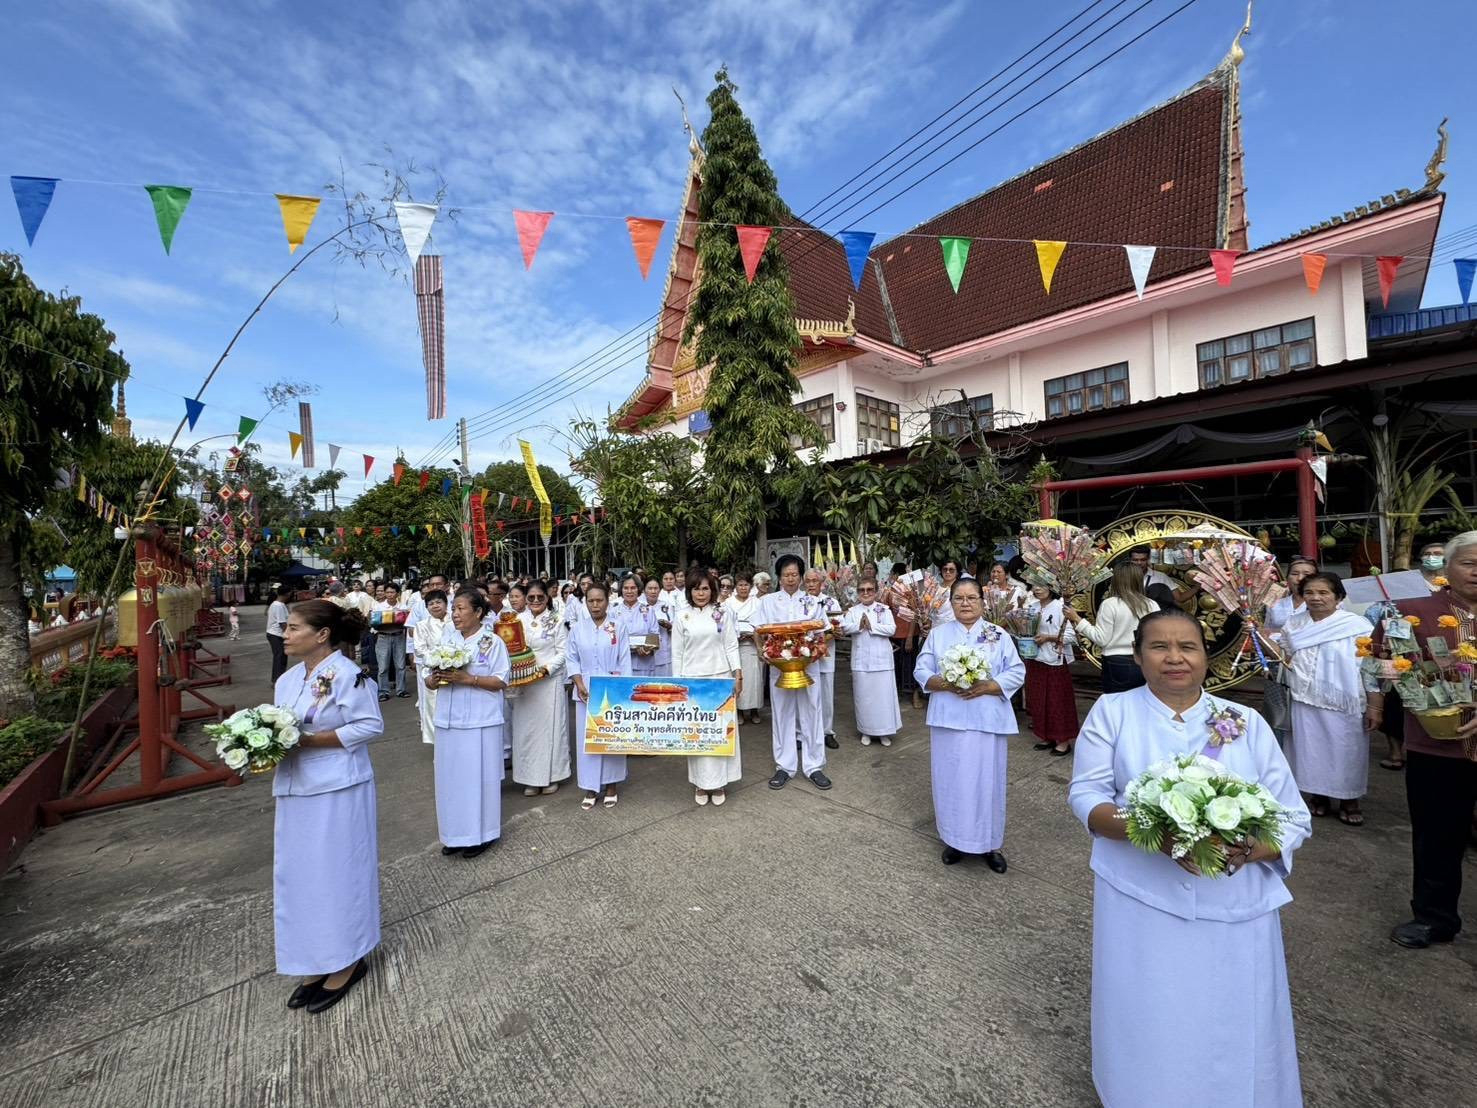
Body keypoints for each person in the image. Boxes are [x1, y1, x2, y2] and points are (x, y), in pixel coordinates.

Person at [1067, 608, 1311, 1106]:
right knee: (1151, 1006)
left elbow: (1292, 817)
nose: (1174, 658)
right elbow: (1087, 797)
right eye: (1159, 647)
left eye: (1188, 647)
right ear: (1137, 656)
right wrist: (1156, 831)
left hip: (1235, 901)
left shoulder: (1245, 722)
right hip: (1141, 897)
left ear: (1206, 656)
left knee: (1230, 1013)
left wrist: (1246, 848)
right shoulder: (1113, 713)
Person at [270, 600, 384, 1015]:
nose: (285, 634)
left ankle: (349, 960)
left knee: (338, 872)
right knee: (301, 877)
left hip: (338, 786)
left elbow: (370, 725)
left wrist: (309, 742)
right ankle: (315, 957)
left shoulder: (350, 676)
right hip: (296, 788)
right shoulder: (286, 681)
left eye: (294, 627)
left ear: (321, 635)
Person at [1369, 532, 1477, 950]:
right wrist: (1376, 704)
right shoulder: (1409, 612)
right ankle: (1434, 918)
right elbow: (1379, 662)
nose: (1476, 571)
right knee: (1437, 836)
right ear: (1444, 568)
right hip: (1438, 748)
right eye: (1469, 562)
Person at [914, 577, 1025, 869]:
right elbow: (922, 668)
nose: (965, 603)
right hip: (949, 719)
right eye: (959, 598)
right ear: (950, 602)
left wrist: (989, 686)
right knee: (951, 780)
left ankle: (989, 844)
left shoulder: (997, 634)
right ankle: (954, 840)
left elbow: (1016, 671)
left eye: (971, 598)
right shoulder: (938, 635)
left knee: (987, 782)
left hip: (986, 720)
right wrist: (944, 682)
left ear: (982, 601)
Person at [1278, 572, 1373, 825]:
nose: (1316, 598)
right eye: (1309, 592)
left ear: (1338, 596)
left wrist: (1376, 705)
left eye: (1323, 593)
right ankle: (1317, 795)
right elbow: (1284, 657)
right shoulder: (1294, 624)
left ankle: (1349, 799)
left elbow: (1369, 666)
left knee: (1347, 750)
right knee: (1309, 750)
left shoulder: (1358, 626)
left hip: (1346, 701)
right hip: (1303, 697)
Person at [426, 588, 510, 859]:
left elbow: (500, 681)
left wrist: (468, 679)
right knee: (450, 779)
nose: (455, 613)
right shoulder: (447, 639)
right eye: (454, 609)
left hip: (479, 721)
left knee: (478, 779)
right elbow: (429, 679)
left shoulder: (492, 642)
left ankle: (482, 834)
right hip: (449, 720)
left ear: (478, 613)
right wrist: (435, 679)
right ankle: (455, 833)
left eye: (461, 608)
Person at [754, 555, 831, 791]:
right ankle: (784, 767)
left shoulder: (812, 601)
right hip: (780, 667)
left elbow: (824, 631)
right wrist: (761, 651)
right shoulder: (767, 602)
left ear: (801, 576)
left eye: (795, 574)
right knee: (782, 714)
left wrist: (815, 652)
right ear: (779, 576)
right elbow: (758, 630)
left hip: (809, 665)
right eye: (786, 574)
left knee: (812, 711)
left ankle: (814, 766)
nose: (791, 578)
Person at [672, 569, 743, 806]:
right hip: (693, 682)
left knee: (721, 732)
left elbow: (731, 645)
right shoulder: (681, 616)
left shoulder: (722, 613)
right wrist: (678, 684)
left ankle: (720, 782)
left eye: (705, 588)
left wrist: (738, 673)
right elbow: (677, 653)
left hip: (720, 680)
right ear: (689, 591)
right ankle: (701, 783)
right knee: (698, 734)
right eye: (695, 588)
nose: (700, 593)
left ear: (712, 590)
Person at [566, 581, 631, 809]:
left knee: (610, 738)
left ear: (607, 601)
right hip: (585, 691)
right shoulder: (577, 629)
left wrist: (622, 689)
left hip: (611, 689)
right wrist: (578, 682)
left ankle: (612, 785)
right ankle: (591, 787)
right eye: (590, 601)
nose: (595, 605)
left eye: (599, 600)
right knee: (588, 741)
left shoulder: (618, 626)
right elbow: (571, 658)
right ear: (585, 602)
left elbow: (624, 658)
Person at [512, 580, 571, 797]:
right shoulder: (516, 620)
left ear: (547, 598)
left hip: (548, 681)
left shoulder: (557, 620)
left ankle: (551, 776)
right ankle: (529, 777)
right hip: (524, 683)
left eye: (540, 597)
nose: (536, 601)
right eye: (531, 598)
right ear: (525, 599)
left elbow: (564, 652)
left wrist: (546, 669)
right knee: (526, 731)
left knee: (551, 730)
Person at [1064, 565, 1159, 693]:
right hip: (1144, 661)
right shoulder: (1151, 605)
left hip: (1117, 662)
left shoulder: (1110, 604)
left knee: (1116, 704)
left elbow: (1101, 639)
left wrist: (1077, 619)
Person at [1261, 557, 1318, 747]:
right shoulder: (1275, 602)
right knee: (1277, 708)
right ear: (1287, 578)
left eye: (1306, 574)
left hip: (1307, 663)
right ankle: (1278, 749)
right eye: (1295, 573)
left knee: (1304, 707)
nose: (1299, 578)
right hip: (1276, 660)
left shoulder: (1321, 603)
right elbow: (1266, 630)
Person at [842, 579, 900, 746]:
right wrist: (859, 625)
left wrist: (872, 625)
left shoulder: (884, 609)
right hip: (861, 662)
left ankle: (884, 732)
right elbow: (845, 628)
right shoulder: (853, 611)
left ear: (875, 592)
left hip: (882, 661)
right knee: (864, 698)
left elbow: (892, 629)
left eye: (869, 590)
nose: (865, 593)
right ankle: (866, 731)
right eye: (862, 590)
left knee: (883, 699)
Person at [1025, 583, 1079, 756]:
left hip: (1055, 659)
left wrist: (1048, 637)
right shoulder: (1031, 607)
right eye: (1033, 586)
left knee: (1057, 700)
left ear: (1051, 587)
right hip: (1035, 658)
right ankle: (1045, 735)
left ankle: (1063, 740)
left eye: (1041, 585)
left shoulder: (1060, 607)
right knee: (1039, 699)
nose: (1037, 588)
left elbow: (1071, 636)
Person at [803, 568, 844, 749]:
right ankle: (802, 733)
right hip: (804, 657)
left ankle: (827, 732)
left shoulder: (831, 602)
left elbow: (838, 627)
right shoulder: (799, 601)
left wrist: (836, 631)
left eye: (815, 581)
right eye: (808, 581)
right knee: (804, 697)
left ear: (822, 583)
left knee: (826, 696)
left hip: (826, 656)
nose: (811, 584)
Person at [410, 589, 450, 745]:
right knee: (433, 705)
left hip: (455, 668)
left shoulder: (454, 622)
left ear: (446, 604)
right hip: (433, 669)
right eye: (431, 603)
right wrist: (437, 659)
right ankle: (437, 741)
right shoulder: (422, 625)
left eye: (439, 602)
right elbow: (419, 649)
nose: (435, 606)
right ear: (426, 607)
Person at [725, 573, 765, 725]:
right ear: (736, 586)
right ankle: (739, 711)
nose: (743, 588)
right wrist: (736, 635)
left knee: (755, 679)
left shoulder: (757, 603)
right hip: (736, 646)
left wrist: (753, 635)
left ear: (751, 586)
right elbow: (726, 624)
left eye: (746, 585)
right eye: (740, 584)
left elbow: (762, 623)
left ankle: (754, 710)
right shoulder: (728, 603)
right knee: (738, 678)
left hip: (755, 645)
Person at [883, 562, 921, 711]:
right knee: (896, 666)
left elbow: (913, 614)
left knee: (911, 665)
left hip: (909, 633)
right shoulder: (888, 592)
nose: (895, 578)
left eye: (897, 575)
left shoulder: (911, 592)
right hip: (893, 634)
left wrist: (910, 636)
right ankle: (895, 694)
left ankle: (915, 694)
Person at [614, 574, 659, 676]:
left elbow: (655, 635)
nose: (629, 591)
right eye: (626, 588)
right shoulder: (613, 611)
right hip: (619, 665)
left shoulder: (648, 610)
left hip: (644, 664)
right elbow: (610, 637)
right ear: (621, 589)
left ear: (638, 589)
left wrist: (647, 648)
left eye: (633, 588)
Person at [371, 583, 410, 701]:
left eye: (392, 592)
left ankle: (401, 690)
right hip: (383, 636)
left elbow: (407, 623)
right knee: (383, 666)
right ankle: (383, 691)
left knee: (401, 665)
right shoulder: (378, 607)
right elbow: (373, 624)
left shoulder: (403, 607)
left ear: (397, 593)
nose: (389, 595)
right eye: (387, 592)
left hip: (399, 636)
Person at [643, 577, 673, 677]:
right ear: (644, 590)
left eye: (656, 588)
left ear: (660, 590)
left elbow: (675, 627)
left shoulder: (666, 606)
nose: (653, 591)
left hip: (664, 653)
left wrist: (668, 626)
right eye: (650, 588)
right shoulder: (640, 607)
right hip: (644, 653)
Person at [267, 586, 291, 682]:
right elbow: (282, 623)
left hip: (276, 634)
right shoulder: (278, 606)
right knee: (279, 657)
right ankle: (277, 679)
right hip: (276, 634)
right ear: (287, 594)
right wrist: (289, 634)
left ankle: (280, 678)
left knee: (282, 657)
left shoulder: (278, 604)